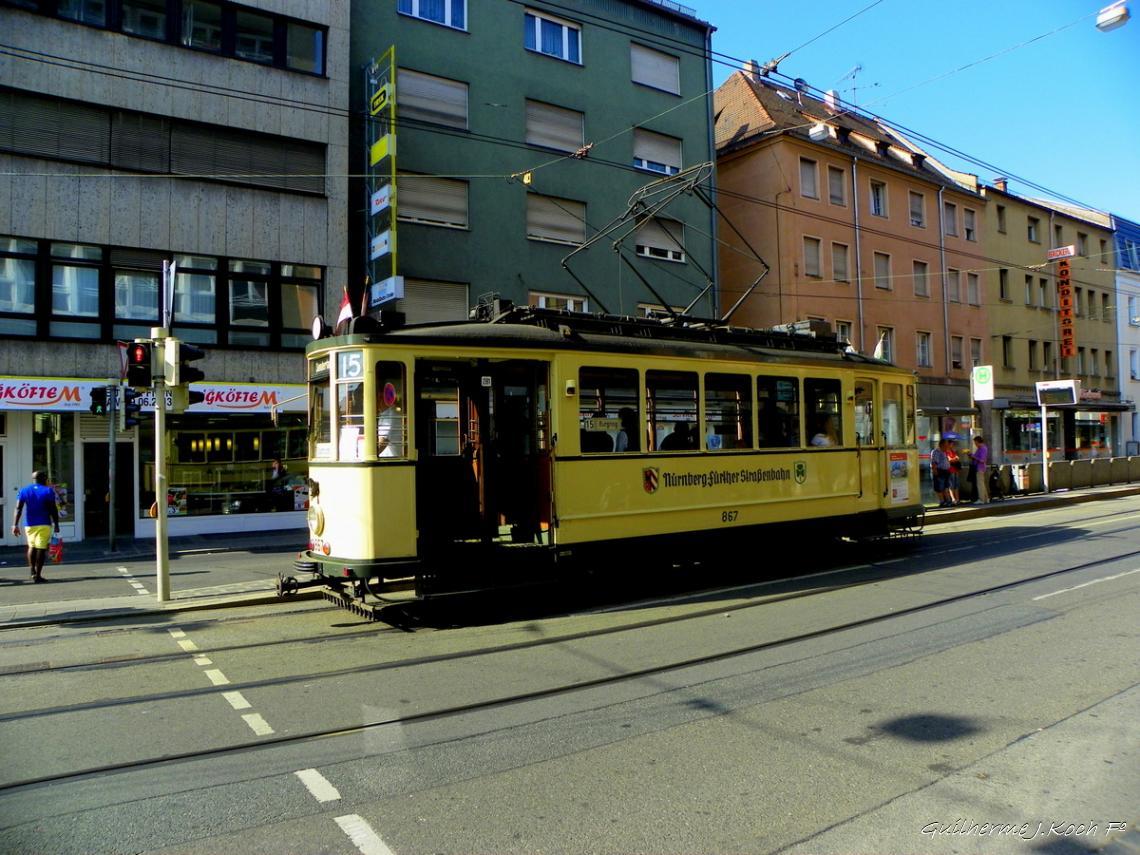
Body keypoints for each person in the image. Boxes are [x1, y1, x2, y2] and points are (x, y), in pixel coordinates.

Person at [11, 471, 60, 583]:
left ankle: (32, 571)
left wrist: (15, 525)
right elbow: (53, 509)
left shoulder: (24, 490)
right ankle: (38, 575)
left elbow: (18, 508)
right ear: (44, 479)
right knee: (41, 548)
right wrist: (56, 524)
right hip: (44, 523)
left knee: (31, 547)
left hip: (29, 524)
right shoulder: (48, 491)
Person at [930, 439, 952, 507]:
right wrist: (935, 471)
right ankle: (942, 501)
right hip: (940, 471)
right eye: (946, 444)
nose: (948, 446)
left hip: (946, 471)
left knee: (946, 487)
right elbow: (934, 462)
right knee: (939, 488)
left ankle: (948, 501)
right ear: (942, 444)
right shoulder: (936, 451)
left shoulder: (944, 451)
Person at [971, 435, 990, 504]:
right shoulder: (981, 448)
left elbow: (982, 460)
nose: (975, 445)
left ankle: (981, 499)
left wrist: (973, 457)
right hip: (980, 467)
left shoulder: (982, 448)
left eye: (976, 443)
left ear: (978, 442)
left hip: (980, 467)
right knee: (982, 484)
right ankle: (986, 498)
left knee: (980, 484)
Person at [946, 440, 962, 505]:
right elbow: (949, 460)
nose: (952, 446)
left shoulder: (953, 451)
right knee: (951, 486)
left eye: (953, 444)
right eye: (951, 444)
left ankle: (957, 499)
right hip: (950, 470)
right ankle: (953, 499)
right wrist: (954, 459)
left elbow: (957, 458)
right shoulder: (946, 452)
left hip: (955, 470)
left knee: (956, 485)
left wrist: (954, 459)